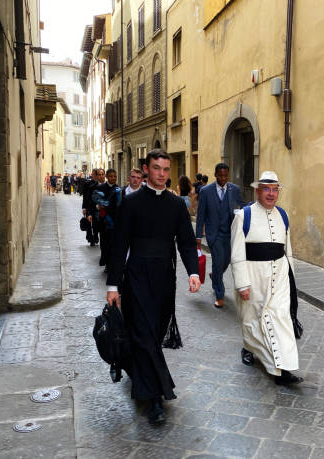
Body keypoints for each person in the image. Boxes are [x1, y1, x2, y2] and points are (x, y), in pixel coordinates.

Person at [106, 149, 201, 425]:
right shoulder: (131, 203)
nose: (161, 174)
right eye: (156, 168)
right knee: (144, 334)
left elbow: (185, 241)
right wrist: (113, 285)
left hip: (164, 278)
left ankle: (139, 371)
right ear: (146, 169)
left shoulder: (175, 205)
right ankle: (155, 397)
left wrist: (193, 272)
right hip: (136, 275)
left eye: (165, 169)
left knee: (154, 333)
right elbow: (119, 246)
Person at [230, 171, 303, 386]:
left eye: (274, 190)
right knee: (252, 318)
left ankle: (283, 370)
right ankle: (249, 347)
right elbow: (237, 254)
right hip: (253, 276)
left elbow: (287, 250)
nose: (271, 194)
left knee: (281, 319)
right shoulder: (244, 216)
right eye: (266, 189)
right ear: (258, 191)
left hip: (279, 275)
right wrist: (242, 284)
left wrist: (291, 278)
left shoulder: (283, 215)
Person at [196, 163, 244, 308]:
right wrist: (198, 235)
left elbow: (241, 208)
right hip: (214, 234)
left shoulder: (234, 189)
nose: (223, 178)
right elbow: (201, 215)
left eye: (225, 175)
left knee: (227, 260)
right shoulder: (205, 191)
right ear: (215, 174)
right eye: (220, 175)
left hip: (230, 233)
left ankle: (215, 276)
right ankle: (219, 294)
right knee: (217, 262)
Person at [94, 169, 121, 271]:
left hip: (115, 221)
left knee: (114, 243)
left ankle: (112, 263)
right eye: (111, 176)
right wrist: (98, 206)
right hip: (103, 221)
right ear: (107, 177)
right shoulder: (100, 188)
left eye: (115, 176)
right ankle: (106, 263)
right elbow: (95, 202)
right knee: (104, 243)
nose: (113, 178)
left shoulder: (118, 189)